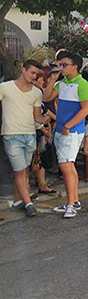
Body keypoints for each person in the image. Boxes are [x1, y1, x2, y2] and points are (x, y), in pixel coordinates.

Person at [42, 52, 88, 218]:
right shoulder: (62, 83)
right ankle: (74, 201)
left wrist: (68, 125)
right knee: (69, 166)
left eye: (64, 65)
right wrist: (53, 80)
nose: (60, 67)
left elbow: (87, 108)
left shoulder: (82, 84)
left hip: (71, 131)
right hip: (64, 130)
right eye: (59, 64)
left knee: (66, 166)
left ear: (74, 66)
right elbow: (46, 97)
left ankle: (71, 204)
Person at [0, 59, 48, 217]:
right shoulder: (5, 87)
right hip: (11, 135)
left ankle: (17, 201)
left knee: (23, 170)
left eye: (37, 74)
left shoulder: (36, 92)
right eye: (32, 72)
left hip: (30, 135)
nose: (34, 76)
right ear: (23, 70)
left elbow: (36, 117)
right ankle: (28, 204)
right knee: (20, 171)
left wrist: (44, 120)